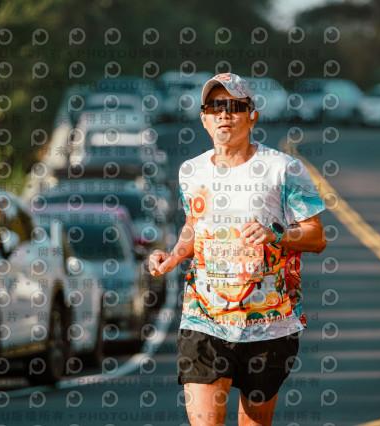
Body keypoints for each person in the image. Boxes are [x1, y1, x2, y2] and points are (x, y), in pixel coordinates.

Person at [149, 72, 327, 426]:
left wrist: (276, 234)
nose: (224, 114)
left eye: (234, 106)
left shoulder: (283, 169)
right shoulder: (191, 171)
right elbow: (193, 226)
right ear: (204, 118)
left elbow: (316, 237)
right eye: (215, 107)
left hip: (269, 324)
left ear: (252, 116)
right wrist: (174, 256)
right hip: (204, 318)